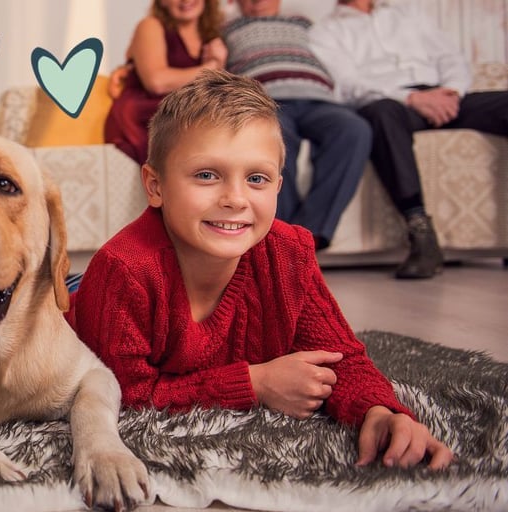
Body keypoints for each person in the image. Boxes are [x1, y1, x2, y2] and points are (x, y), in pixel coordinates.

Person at [67, 69, 453, 470]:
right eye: (206, 175)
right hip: (79, 301)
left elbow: (341, 356)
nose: (235, 198)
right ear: (155, 186)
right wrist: (254, 384)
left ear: (278, 187)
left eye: (256, 178)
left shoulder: (289, 253)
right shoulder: (124, 269)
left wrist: (380, 411)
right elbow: (125, 394)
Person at [309, 0, 508, 278]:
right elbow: (347, 85)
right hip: (392, 103)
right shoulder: (325, 31)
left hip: (443, 96)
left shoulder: (409, 13)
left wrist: (451, 92)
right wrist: (413, 98)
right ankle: (421, 233)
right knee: (380, 113)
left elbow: (450, 57)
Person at [222, 0, 371, 250]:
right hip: (267, 99)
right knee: (275, 137)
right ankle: (281, 234)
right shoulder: (226, 29)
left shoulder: (305, 24)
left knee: (354, 129)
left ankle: (308, 235)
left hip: (319, 99)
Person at [104, 0, 227, 165]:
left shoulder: (212, 36)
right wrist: (212, 68)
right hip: (144, 119)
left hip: (184, 116)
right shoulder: (150, 26)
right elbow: (157, 82)